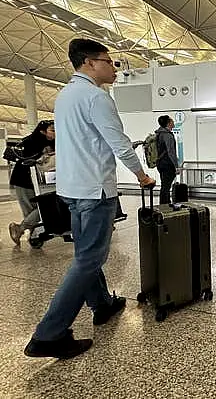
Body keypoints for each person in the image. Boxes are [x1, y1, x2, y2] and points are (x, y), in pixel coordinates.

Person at [24, 38, 155, 359]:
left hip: (71, 189)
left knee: (86, 253)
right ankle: (48, 334)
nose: (114, 68)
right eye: (110, 62)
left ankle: (102, 304)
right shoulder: (97, 98)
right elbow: (119, 143)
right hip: (95, 190)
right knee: (89, 259)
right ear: (89, 62)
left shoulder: (65, 95)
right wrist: (142, 175)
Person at [8, 120, 55, 247]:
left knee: (43, 208)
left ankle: (27, 233)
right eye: (52, 130)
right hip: (23, 181)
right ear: (42, 131)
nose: (55, 133)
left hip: (42, 181)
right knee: (33, 210)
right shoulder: (31, 142)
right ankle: (31, 235)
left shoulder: (52, 142)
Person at [156, 115, 179, 204]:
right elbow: (171, 152)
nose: (173, 122)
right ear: (169, 123)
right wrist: (176, 166)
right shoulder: (167, 135)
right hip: (167, 164)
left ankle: (165, 203)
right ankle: (164, 206)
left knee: (165, 185)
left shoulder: (159, 133)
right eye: (172, 121)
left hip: (160, 163)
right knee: (166, 186)